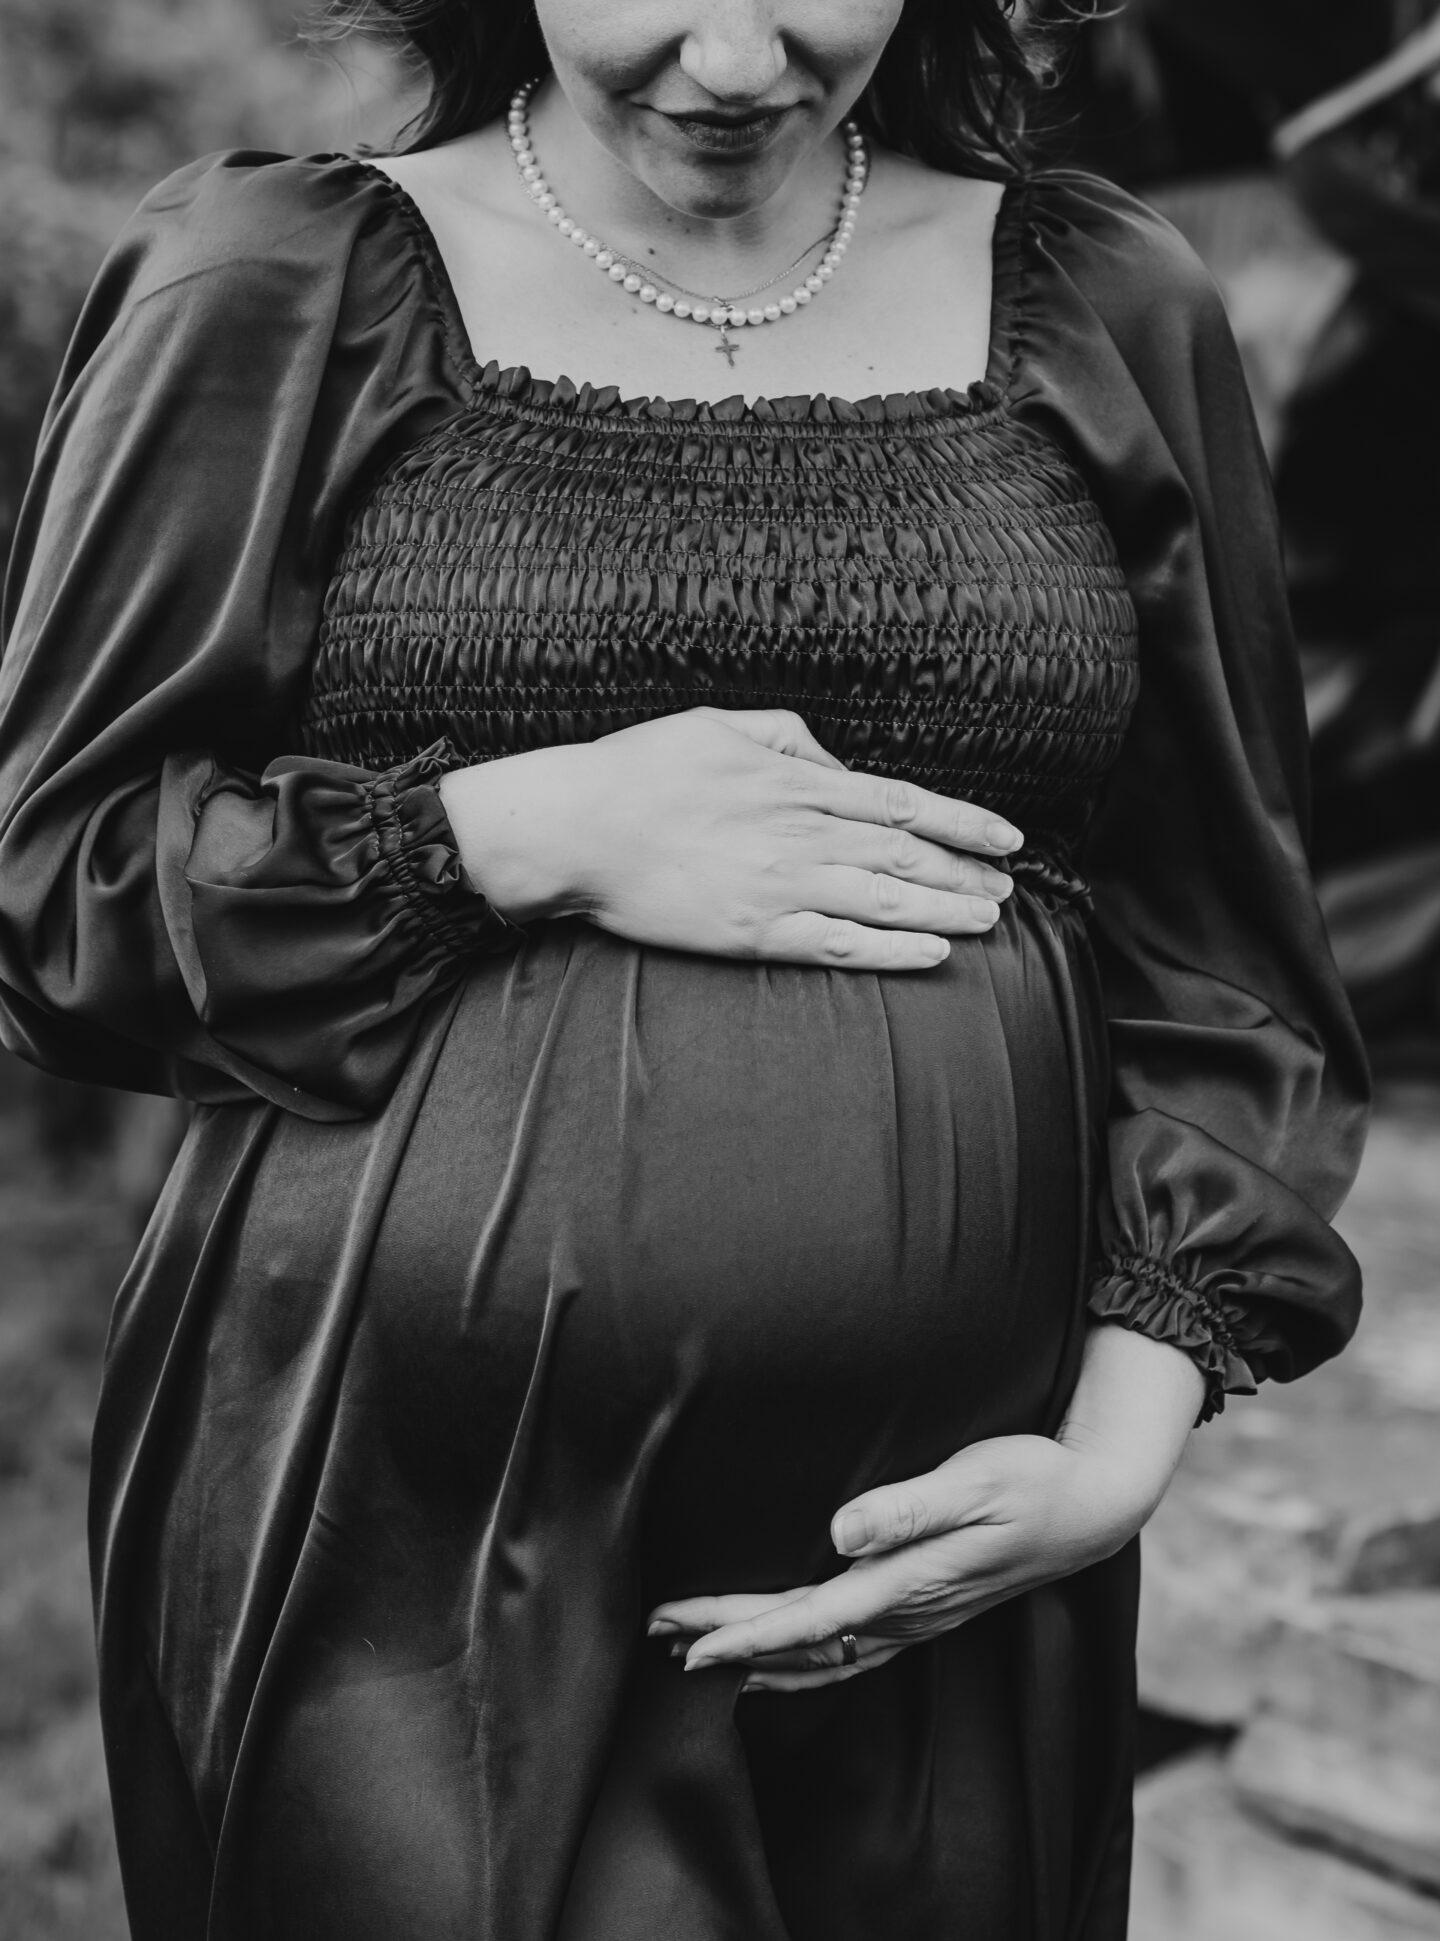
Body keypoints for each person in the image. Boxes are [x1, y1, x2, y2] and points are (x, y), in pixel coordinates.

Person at [0, 2, 1369, 1935]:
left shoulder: (1107, 301)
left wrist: (1114, 1453)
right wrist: (523, 830)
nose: (734, 61)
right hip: (404, 1564)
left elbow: (1228, 955)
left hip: (944, 1578)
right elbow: (53, 892)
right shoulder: (279, 282)